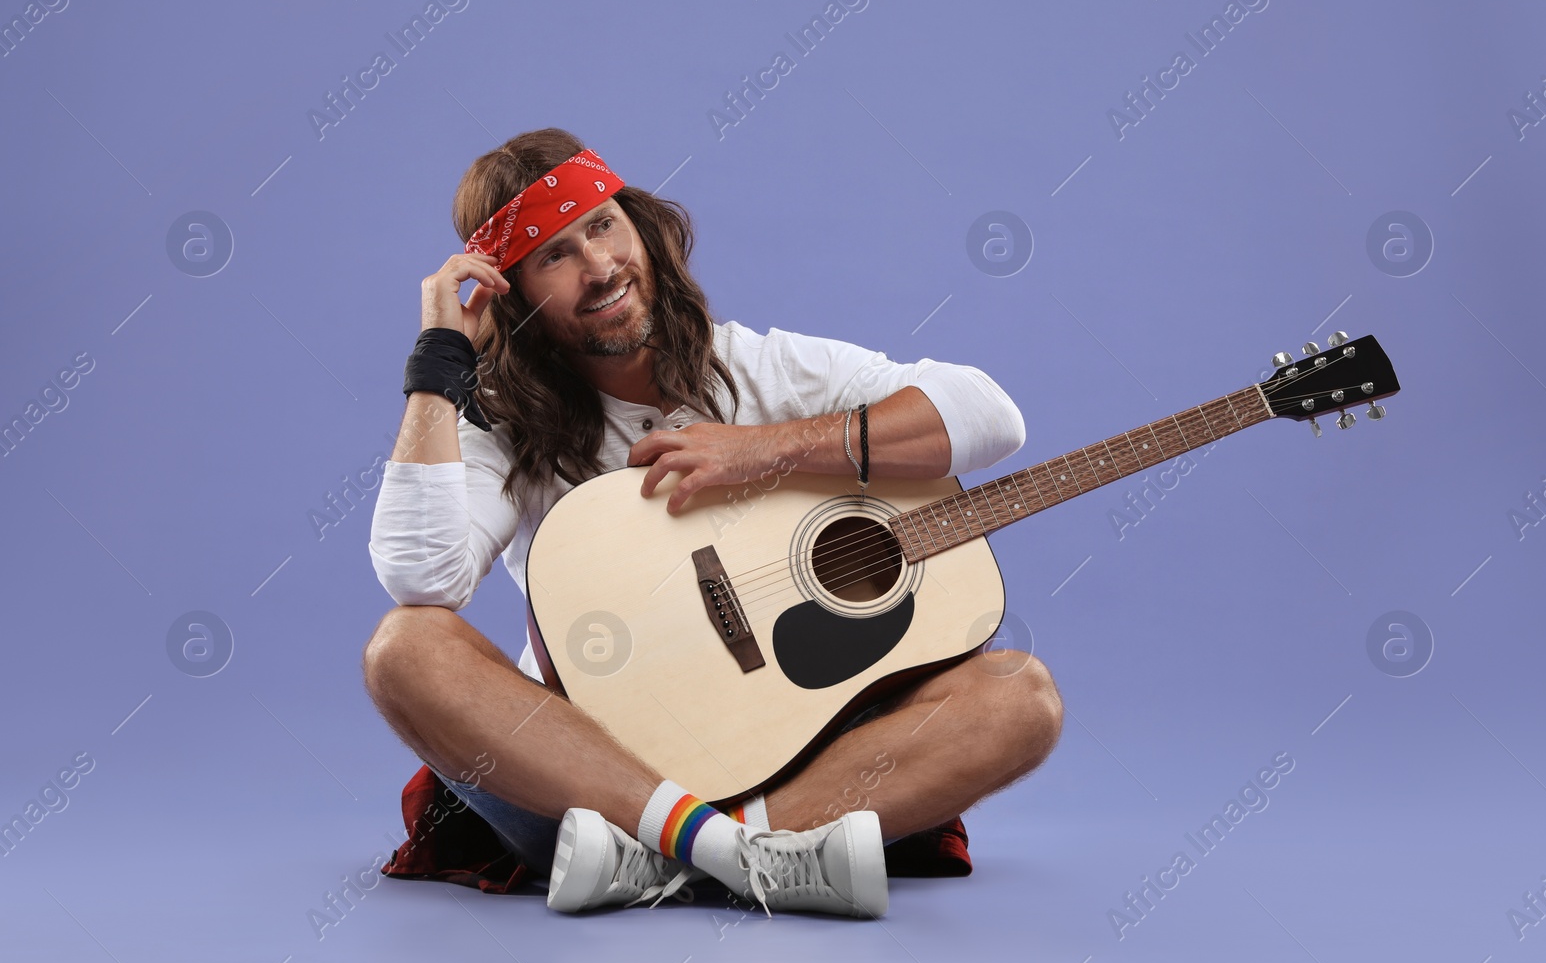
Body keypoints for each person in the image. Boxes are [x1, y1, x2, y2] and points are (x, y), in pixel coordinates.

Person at [362, 128, 1064, 919]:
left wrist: (763, 450)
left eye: (603, 226)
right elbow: (421, 575)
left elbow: (990, 414)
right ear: (513, 295)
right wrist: (438, 361)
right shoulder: (506, 425)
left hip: (798, 763)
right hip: (595, 783)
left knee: (1021, 695)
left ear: (644, 230)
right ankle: (750, 856)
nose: (599, 268)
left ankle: (680, 857)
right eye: (554, 255)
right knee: (404, 646)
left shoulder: (757, 368)